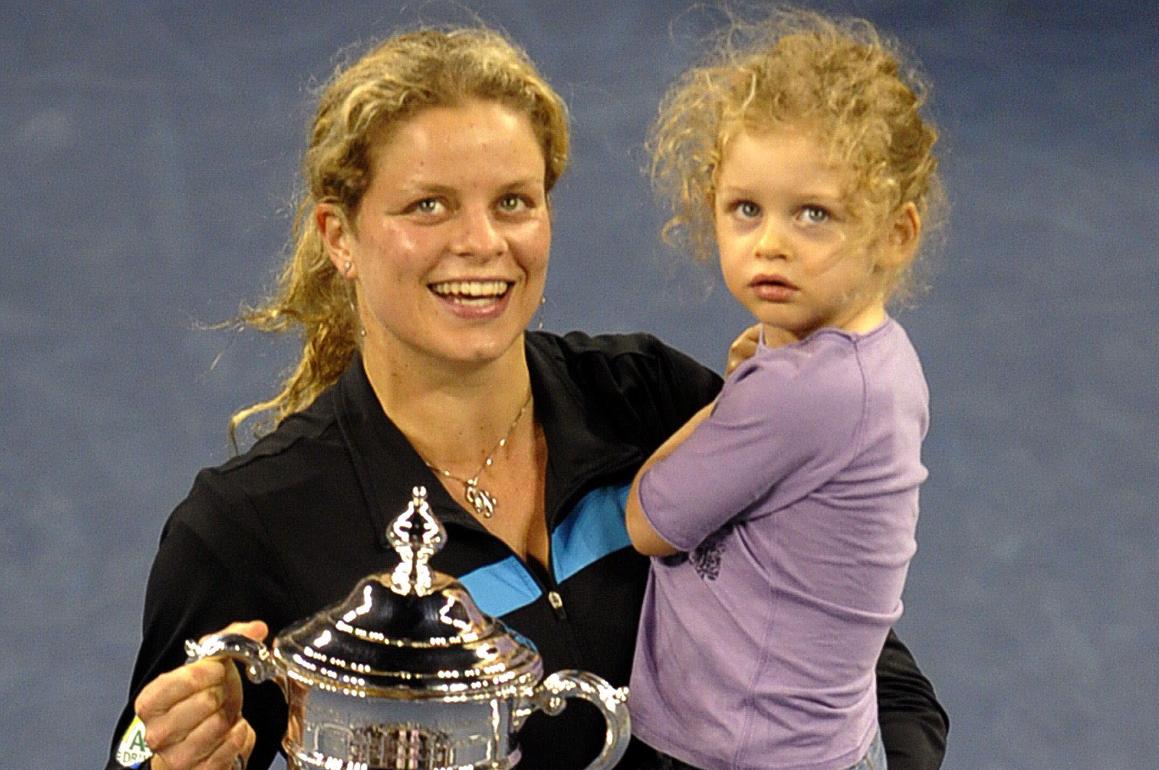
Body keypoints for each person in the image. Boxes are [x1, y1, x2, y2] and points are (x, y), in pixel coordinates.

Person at [106, 24, 948, 770]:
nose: (480, 243)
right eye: (428, 205)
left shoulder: (651, 399)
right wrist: (176, 759)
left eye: (513, 202)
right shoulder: (251, 525)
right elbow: (146, 752)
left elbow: (878, 677)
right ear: (340, 236)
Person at [624, 9, 944, 770]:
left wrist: (723, 401)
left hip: (751, 754)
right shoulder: (879, 358)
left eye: (814, 215)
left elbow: (649, 520)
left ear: (895, 234)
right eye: (746, 209)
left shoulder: (800, 394)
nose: (771, 241)